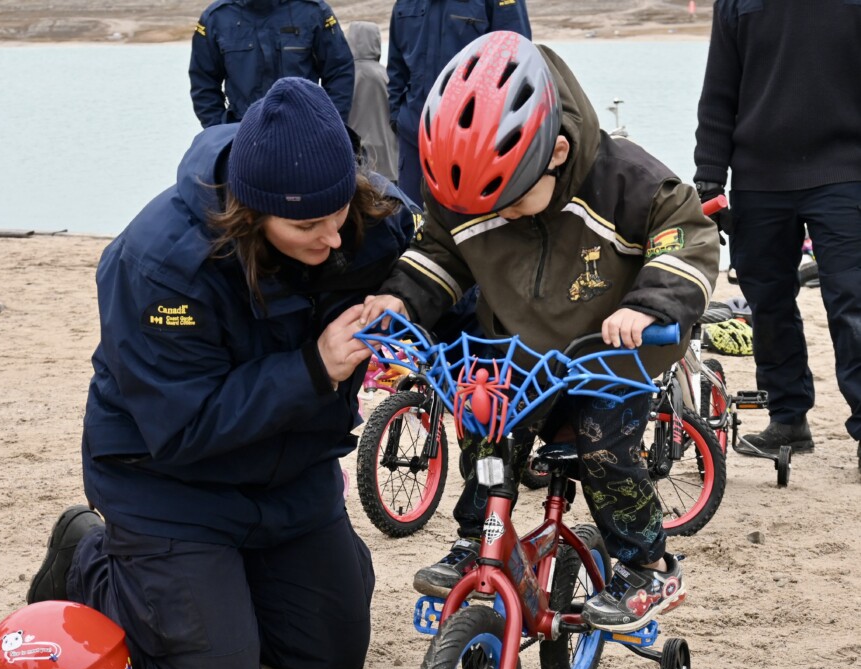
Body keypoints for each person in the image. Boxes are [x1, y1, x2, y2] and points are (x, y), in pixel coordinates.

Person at [26, 77, 416, 669]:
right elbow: (181, 427)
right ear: (251, 211)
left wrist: (414, 299)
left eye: (340, 210)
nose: (335, 239)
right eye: (308, 225)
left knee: (332, 654)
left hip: (293, 477)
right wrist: (314, 369)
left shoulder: (368, 213)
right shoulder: (157, 264)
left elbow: (449, 267)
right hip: (170, 484)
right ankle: (87, 556)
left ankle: (226, 587)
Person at [361, 31, 720, 633]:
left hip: (614, 354)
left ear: (554, 152)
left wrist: (652, 304)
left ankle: (649, 567)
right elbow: (440, 255)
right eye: (477, 206)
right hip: (523, 348)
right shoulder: (470, 193)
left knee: (603, 445)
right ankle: (479, 540)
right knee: (485, 418)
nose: (491, 216)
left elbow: (686, 238)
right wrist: (398, 301)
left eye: (506, 201)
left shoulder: (627, 181)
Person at [694, 0, 861, 469]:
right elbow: (719, 90)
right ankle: (788, 419)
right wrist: (709, 177)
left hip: (846, 172)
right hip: (758, 179)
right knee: (766, 303)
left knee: (853, 303)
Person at [386, 0, 531, 205]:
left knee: (469, 226)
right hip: (414, 138)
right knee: (411, 223)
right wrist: (398, 119)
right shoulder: (404, 4)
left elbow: (518, 62)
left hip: (474, 141)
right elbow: (396, 67)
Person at [189, 0, 354, 128]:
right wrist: (221, 132)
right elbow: (203, 83)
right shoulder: (216, 18)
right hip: (241, 137)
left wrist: (329, 126)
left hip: (305, 133)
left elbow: (340, 73)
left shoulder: (313, 12)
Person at [345, 21, 399, 183]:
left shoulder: (344, 77)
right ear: (376, 42)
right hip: (387, 157)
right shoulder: (387, 76)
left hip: (355, 156)